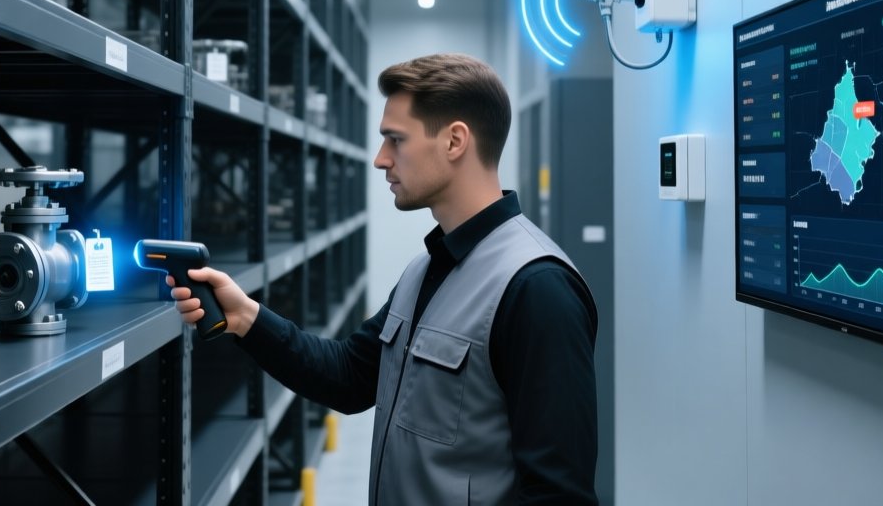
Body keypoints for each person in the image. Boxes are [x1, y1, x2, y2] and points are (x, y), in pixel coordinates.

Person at [168, 53, 598, 505]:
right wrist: (246, 318)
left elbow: (558, 494)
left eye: (395, 140)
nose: (379, 159)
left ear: (454, 141)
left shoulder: (538, 288)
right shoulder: (426, 269)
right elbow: (350, 376)